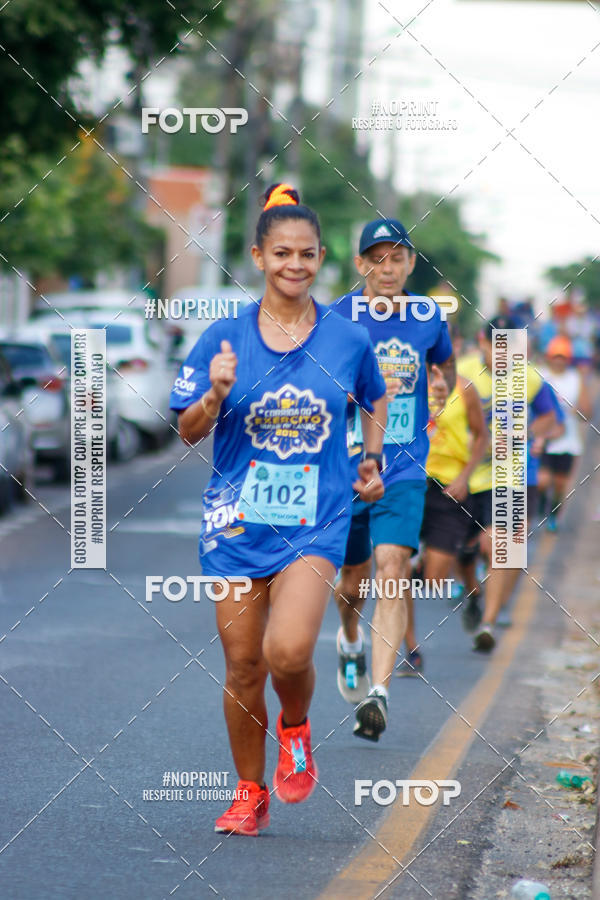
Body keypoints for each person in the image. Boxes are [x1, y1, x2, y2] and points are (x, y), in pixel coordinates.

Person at [169, 184, 387, 835]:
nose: (296, 265)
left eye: (308, 254)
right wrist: (214, 396)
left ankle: (296, 726)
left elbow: (373, 399)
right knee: (242, 662)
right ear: (259, 256)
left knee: (287, 653)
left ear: (322, 259)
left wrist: (370, 460)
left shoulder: (348, 339)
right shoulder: (224, 337)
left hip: (316, 520)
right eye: (282, 253)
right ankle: (247, 792)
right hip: (234, 524)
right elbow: (185, 430)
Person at [331, 218, 455, 740]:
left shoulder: (428, 317)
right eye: (377, 259)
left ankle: (378, 693)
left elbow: (442, 368)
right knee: (353, 580)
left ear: (410, 263)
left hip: (404, 465)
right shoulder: (337, 317)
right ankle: (349, 638)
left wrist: (440, 390)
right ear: (361, 264)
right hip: (348, 467)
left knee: (392, 566)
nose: (388, 269)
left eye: (398, 258)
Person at [457, 316, 560, 652]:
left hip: (509, 473)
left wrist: (529, 434)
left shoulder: (529, 378)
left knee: (502, 544)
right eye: (497, 346)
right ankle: (474, 592)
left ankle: (487, 621)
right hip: (462, 473)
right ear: (482, 343)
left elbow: (550, 417)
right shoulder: (464, 371)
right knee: (461, 551)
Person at [397, 372, 489, 675]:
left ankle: (472, 591)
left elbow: (481, 435)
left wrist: (464, 477)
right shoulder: (401, 382)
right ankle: (411, 649)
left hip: (450, 488)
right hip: (409, 483)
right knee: (400, 570)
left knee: (435, 580)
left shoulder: (464, 388)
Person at [537, 336, 590, 530]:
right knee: (542, 481)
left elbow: (587, 413)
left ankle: (553, 514)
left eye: (562, 356)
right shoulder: (539, 375)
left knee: (560, 485)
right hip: (544, 439)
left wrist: (577, 409)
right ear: (549, 356)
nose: (558, 360)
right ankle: (541, 505)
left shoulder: (575, 378)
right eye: (555, 356)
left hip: (567, 442)